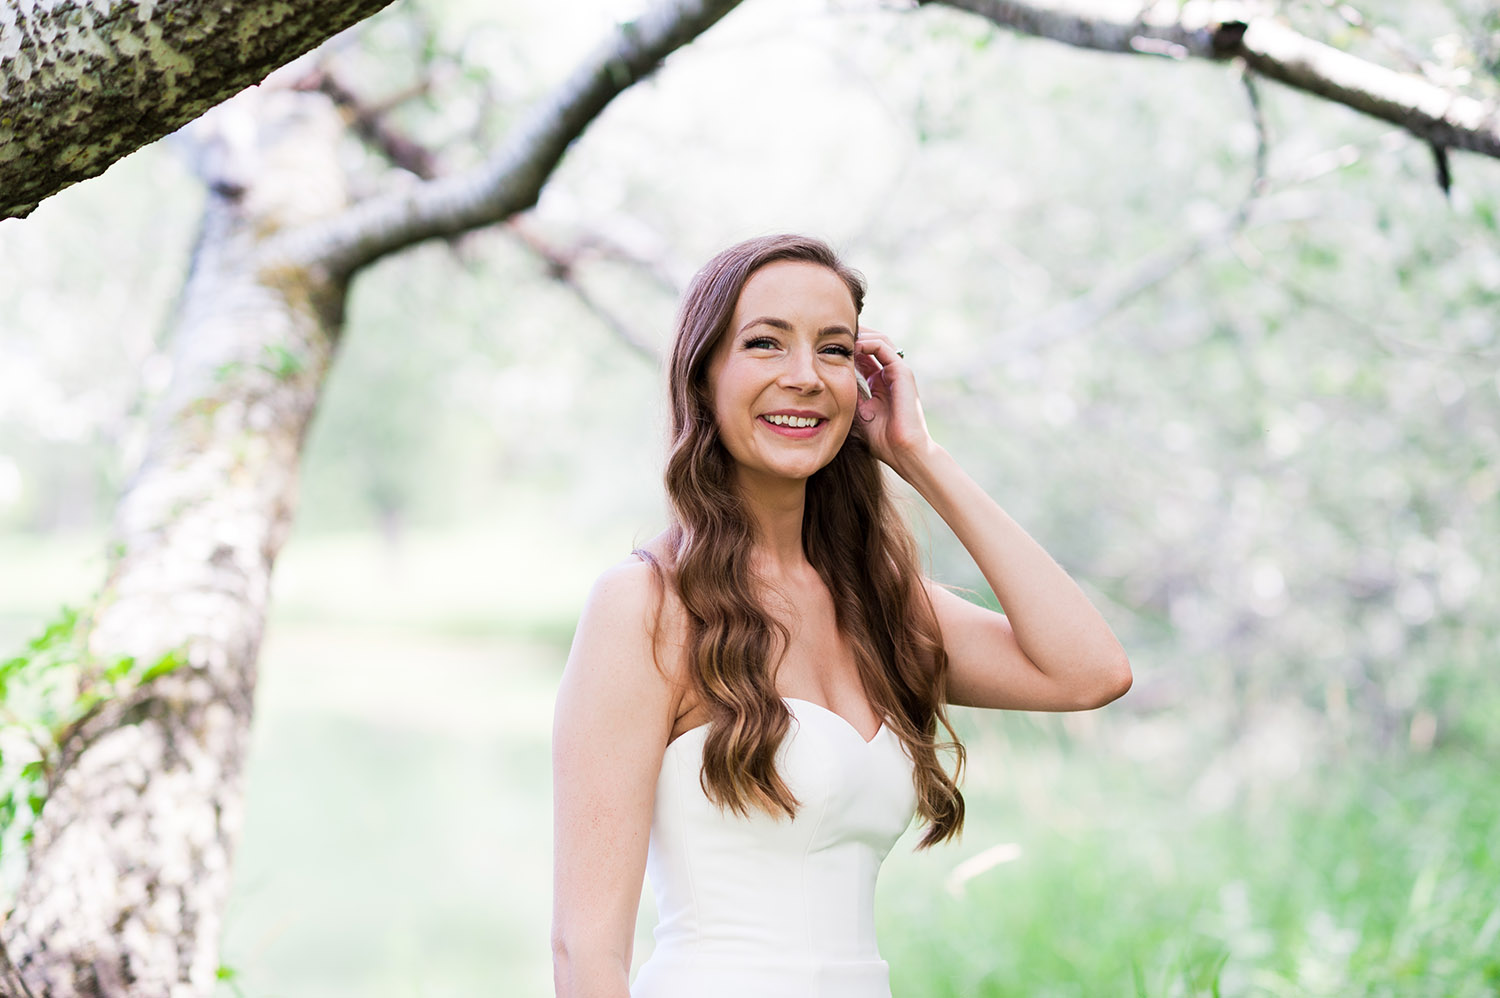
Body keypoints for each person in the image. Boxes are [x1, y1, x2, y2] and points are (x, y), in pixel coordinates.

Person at [551, 234, 1131, 998]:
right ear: (703, 376)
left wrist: (920, 455)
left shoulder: (882, 601)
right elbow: (585, 949)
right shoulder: (648, 605)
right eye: (764, 343)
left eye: (833, 350)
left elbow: (1091, 673)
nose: (803, 378)